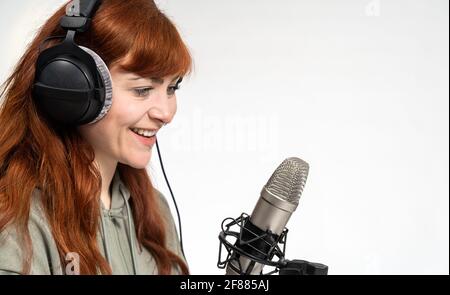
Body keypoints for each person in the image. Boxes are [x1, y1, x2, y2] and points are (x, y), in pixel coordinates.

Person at [0, 0, 192, 275]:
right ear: (71, 87)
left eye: (172, 87)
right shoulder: (18, 217)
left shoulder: (154, 212)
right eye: (142, 89)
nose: (166, 112)